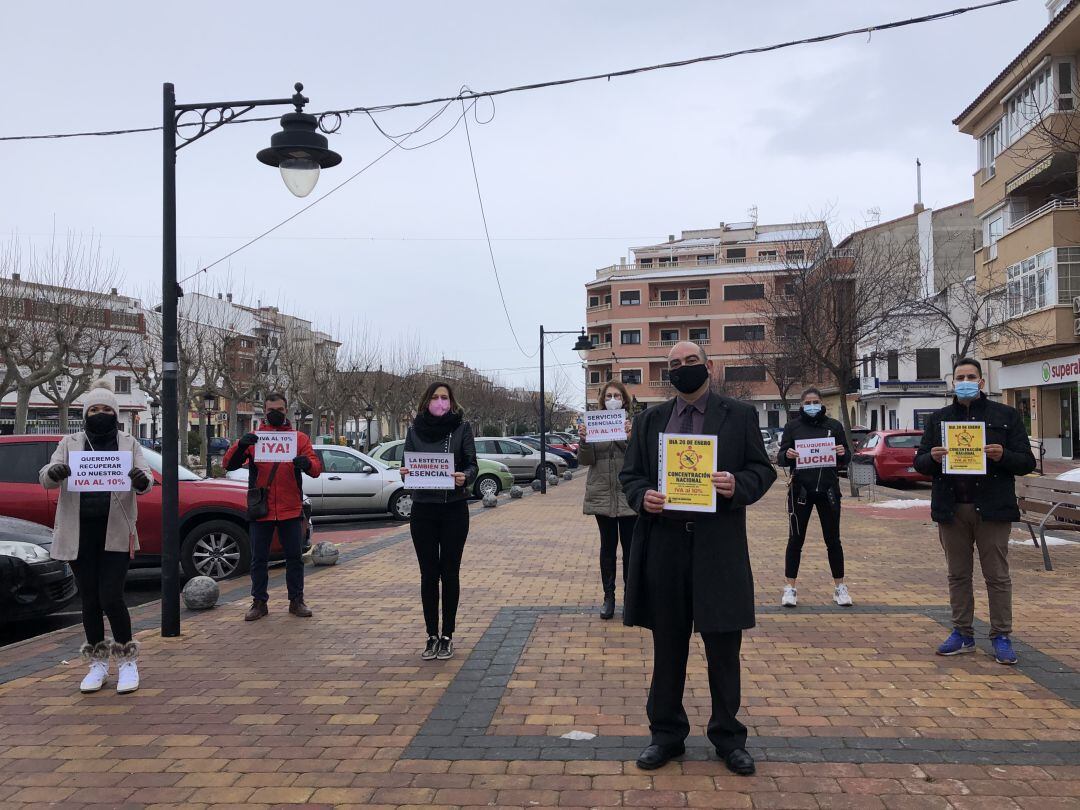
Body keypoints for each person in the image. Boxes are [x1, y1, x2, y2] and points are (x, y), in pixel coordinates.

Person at [621, 342, 776, 774]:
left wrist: (737, 484)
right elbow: (630, 474)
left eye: (691, 362)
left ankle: (728, 737)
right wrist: (641, 497)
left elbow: (763, 470)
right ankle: (666, 735)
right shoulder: (650, 420)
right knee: (667, 646)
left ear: (708, 366)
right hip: (666, 548)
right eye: (674, 364)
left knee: (723, 647)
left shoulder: (739, 415)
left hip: (718, 547)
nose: (683, 369)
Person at [914, 357, 1035, 665]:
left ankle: (1001, 636)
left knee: (997, 575)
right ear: (953, 382)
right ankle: (963, 633)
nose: (965, 381)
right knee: (958, 575)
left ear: (982, 382)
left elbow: (1026, 461)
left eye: (971, 376)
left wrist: (1002, 454)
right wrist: (933, 457)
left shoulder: (1005, 415)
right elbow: (919, 462)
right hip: (952, 508)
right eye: (960, 377)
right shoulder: (939, 419)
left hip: (993, 509)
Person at [39, 380, 154, 694]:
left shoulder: (128, 443)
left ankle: (127, 661)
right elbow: (47, 476)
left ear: (115, 414)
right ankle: (97, 662)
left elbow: (147, 482)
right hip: (79, 533)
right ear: (86, 413)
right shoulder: (70, 442)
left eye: (106, 409)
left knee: (112, 597)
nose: (100, 414)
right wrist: (56, 473)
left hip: (115, 532)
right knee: (89, 599)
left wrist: (139, 478)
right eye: (94, 409)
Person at [223, 392, 322, 621]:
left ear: (286, 410)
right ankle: (259, 602)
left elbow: (316, 469)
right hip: (262, 507)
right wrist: (241, 445)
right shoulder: (256, 438)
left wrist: (306, 463)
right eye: (270, 410)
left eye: (279, 409)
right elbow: (229, 463)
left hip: (290, 506)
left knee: (294, 557)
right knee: (258, 558)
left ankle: (296, 600)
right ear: (264, 411)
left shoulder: (299, 439)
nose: (275, 414)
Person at [400, 381, 478, 661]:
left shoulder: (462, 428)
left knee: (450, 573)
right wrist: (405, 471)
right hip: (423, 510)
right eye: (435, 397)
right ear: (426, 400)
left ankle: (448, 635)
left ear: (452, 401)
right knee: (428, 575)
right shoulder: (413, 430)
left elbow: (472, 464)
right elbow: (407, 466)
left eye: (445, 397)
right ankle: (431, 634)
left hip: (453, 508)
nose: (440, 402)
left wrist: (465, 476)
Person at [777, 387, 853, 608]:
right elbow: (781, 457)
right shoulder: (793, 427)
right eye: (808, 402)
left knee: (833, 540)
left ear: (821, 403)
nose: (812, 405)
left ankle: (840, 587)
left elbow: (847, 456)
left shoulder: (834, 426)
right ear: (802, 405)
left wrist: (842, 453)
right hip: (801, 491)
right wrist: (787, 455)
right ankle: (790, 587)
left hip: (828, 491)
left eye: (816, 401)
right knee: (795, 540)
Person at [578, 380, 636, 620]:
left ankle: (631, 599)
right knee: (607, 549)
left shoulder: (633, 424)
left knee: (631, 550)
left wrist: (628, 436)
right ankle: (609, 597)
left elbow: (638, 456)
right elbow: (586, 460)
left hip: (628, 494)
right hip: (602, 493)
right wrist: (584, 440)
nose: (613, 399)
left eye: (617, 396)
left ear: (624, 400)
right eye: (609, 396)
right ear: (602, 400)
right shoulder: (594, 423)